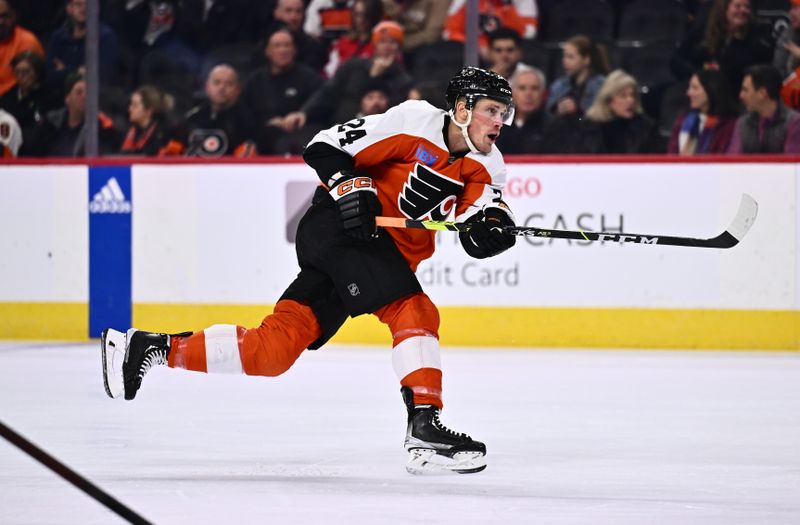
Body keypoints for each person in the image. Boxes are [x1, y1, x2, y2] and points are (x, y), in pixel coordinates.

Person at [101, 66, 518, 475]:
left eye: (504, 113)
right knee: (413, 310)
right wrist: (349, 184)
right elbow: (323, 145)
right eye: (492, 110)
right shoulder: (413, 121)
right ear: (462, 109)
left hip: (374, 255)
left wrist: (494, 228)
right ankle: (424, 427)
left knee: (273, 352)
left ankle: (146, 348)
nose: (500, 121)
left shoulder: (489, 165)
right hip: (339, 230)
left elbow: (480, 219)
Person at [282, 20, 412, 131]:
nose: (387, 47)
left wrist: (376, 76)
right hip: (340, 127)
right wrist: (305, 112)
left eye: (392, 42)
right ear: (375, 45)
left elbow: (386, 111)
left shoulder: (403, 79)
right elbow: (328, 92)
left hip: (377, 133)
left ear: (399, 47)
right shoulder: (353, 66)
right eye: (382, 42)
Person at [243, 28, 323, 153]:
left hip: (299, 136)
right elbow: (245, 112)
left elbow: (320, 103)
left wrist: (300, 115)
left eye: (287, 45)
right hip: (263, 135)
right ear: (267, 51)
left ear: (294, 50)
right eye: (277, 46)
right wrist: (268, 122)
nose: (283, 50)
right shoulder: (255, 80)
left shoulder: (309, 77)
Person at [670, 0, 772, 93]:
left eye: (746, 7)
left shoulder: (755, 36)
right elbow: (677, 60)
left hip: (733, 92)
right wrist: (700, 76)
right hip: (700, 87)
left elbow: (744, 70)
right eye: (737, 6)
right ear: (724, 8)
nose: (743, 10)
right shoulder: (705, 31)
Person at [182, 64, 258, 157]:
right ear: (207, 87)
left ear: (238, 90)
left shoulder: (248, 121)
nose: (222, 88)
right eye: (217, 83)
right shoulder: (192, 118)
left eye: (229, 84)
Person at [44, 0, 121, 91]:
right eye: (78, 4)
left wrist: (64, 70)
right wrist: (78, 71)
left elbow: (102, 76)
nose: (84, 8)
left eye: (88, 4)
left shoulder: (106, 38)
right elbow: (50, 76)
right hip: (58, 96)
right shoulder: (58, 37)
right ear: (69, 8)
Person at [579, 69, 661, 154]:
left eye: (632, 95)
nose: (630, 100)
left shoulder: (646, 128)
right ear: (608, 101)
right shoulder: (589, 127)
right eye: (623, 96)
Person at [728, 64, 800, 154]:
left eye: (745, 90)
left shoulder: (793, 123)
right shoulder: (743, 124)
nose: (741, 95)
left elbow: (792, 163)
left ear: (762, 93)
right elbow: (733, 161)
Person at [667, 69, 738, 155]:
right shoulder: (683, 120)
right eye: (689, 88)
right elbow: (672, 156)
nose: (688, 93)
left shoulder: (730, 126)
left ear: (711, 90)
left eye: (695, 88)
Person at [0, 51, 59, 154]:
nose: (21, 76)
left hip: (38, 152)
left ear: (37, 73)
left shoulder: (50, 97)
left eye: (26, 72)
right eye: (17, 72)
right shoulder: (8, 97)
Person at [443, 0, 538, 61]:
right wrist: (476, 46)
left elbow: (527, 33)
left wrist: (507, 7)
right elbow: (449, 33)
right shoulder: (466, 3)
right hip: (471, 54)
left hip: (505, 52)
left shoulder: (510, 5)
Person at [546, 34, 608, 118]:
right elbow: (547, 117)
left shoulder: (601, 85)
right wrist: (558, 111)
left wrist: (577, 111)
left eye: (570, 57)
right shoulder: (559, 85)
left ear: (586, 60)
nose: (564, 61)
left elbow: (600, 118)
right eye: (564, 56)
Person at [495, 67, 550, 153]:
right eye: (522, 88)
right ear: (513, 94)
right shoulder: (498, 125)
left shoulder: (553, 126)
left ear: (543, 94)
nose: (528, 94)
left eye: (534, 88)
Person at [323, 0, 383, 78]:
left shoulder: (381, 45)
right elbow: (329, 73)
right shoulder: (343, 43)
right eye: (357, 14)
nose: (361, 20)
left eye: (366, 15)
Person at [119, 85, 183, 156]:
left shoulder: (167, 133)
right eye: (131, 104)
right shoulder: (133, 131)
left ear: (148, 111)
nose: (129, 109)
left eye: (135, 105)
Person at [0, 0, 44, 96]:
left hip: (15, 102)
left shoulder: (27, 41)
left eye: (4, 16)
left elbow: (27, 83)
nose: (1, 22)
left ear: (13, 16)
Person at [381, 0, 450, 53]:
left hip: (422, 47)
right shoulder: (386, 3)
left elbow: (432, 35)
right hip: (388, 43)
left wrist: (396, 45)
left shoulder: (439, 2)